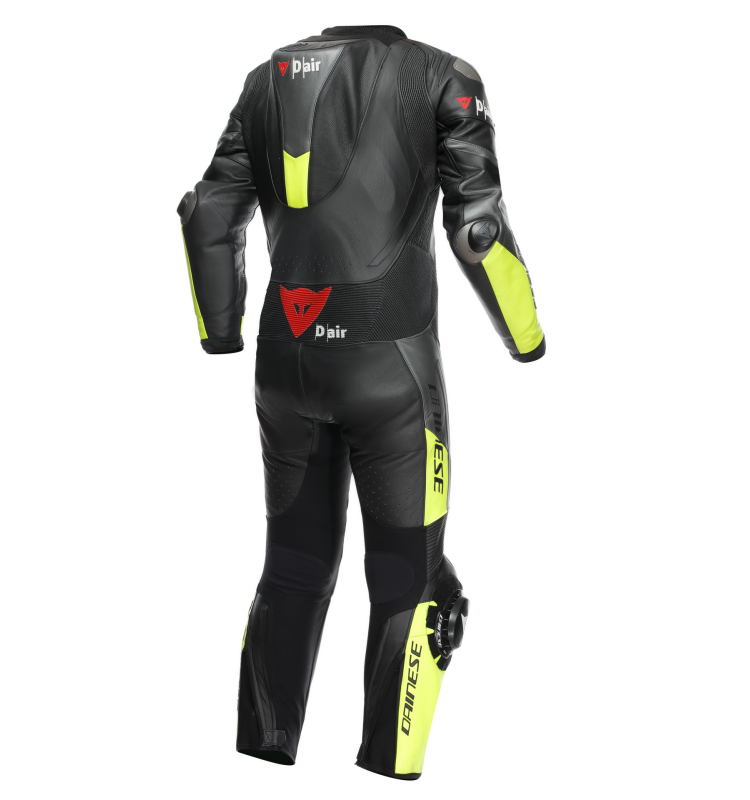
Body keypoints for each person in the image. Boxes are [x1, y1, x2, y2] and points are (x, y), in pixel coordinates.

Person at [175, 21, 547, 782]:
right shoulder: (445, 73)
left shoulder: (265, 74)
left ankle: (262, 748)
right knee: (412, 582)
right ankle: (388, 769)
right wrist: (527, 341)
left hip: (284, 363)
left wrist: (221, 333)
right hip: (391, 367)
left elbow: (205, 211)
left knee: (293, 565)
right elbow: (478, 227)